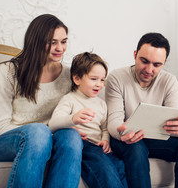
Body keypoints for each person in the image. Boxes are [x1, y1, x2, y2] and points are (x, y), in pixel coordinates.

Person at [0, 14, 83, 188]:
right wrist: (43, 133)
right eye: (52, 42)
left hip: (44, 141)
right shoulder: (9, 71)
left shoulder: (69, 76)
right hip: (0, 145)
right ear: (36, 41)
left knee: (71, 136)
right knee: (39, 133)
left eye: (63, 41)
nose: (60, 48)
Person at [105, 32, 178, 188]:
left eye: (157, 65)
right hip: (124, 138)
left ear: (164, 63)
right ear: (135, 55)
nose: (149, 70)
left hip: (154, 138)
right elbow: (114, 120)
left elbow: (175, 118)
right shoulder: (116, 78)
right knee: (136, 148)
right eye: (144, 61)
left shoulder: (168, 80)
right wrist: (122, 132)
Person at [49, 52, 127, 188]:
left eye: (102, 80)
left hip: (99, 147)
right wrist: (72, 119)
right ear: (77, 79)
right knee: (103, 170)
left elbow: (104, 127)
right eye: (94, 79)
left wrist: (105, 140)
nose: (99, 84)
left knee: (119, 165)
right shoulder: (70, 99)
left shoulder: (101, 104)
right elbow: (53, 123)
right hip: (84, 146)